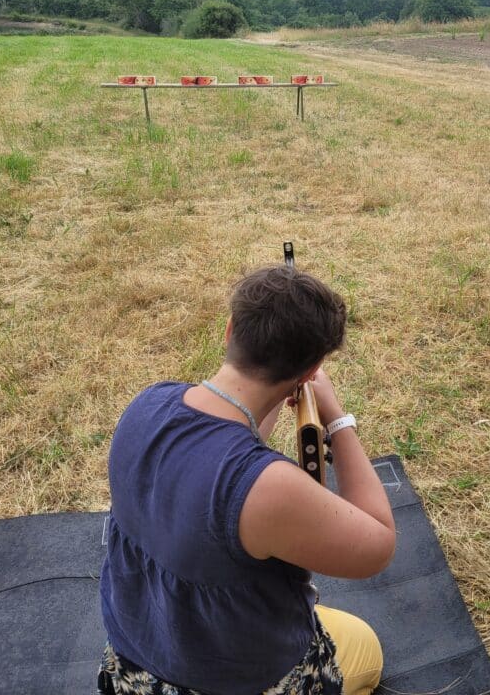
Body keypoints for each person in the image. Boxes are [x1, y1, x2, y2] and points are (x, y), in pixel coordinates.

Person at [98, 265, 397, 695]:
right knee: (365, 648)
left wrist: (279, 395)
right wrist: (336, 418)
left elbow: (226, 437)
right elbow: (378, 544)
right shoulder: (269, 489)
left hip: (135, 669)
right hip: (233, 681)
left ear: (230, 329)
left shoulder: (146, 406)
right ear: (312, 368)